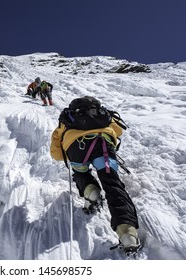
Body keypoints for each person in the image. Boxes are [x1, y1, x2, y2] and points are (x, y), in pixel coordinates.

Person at [50, 96, 140, 253]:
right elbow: (118, 130)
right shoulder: (101, 114)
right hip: (103, 145)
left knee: (81, 173)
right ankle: (127, 233)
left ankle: (91, 192)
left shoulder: (66, 120)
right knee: (112, 183)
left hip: (77, 148)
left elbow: (57, 154)